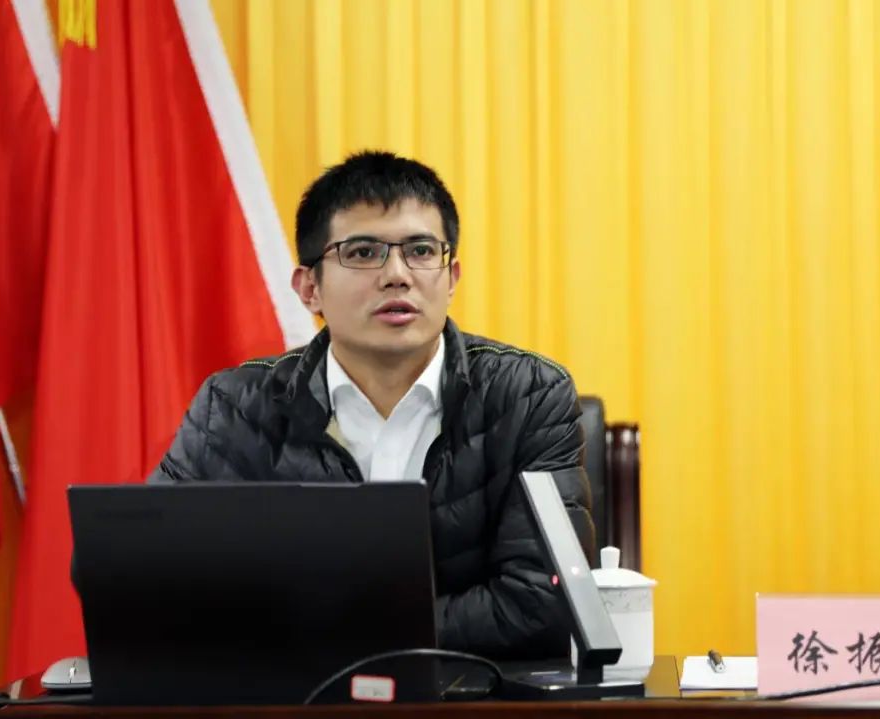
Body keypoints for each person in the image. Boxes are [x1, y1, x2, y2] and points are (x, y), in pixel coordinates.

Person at [150, 150, 593, 659]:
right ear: (309, 289)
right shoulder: (233, 408)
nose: (397, 275)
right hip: (293, 697)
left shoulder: (530, 396)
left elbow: (542, 602)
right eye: (363, 252)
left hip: (469, 693)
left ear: (451, 278)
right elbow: (154, 579)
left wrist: (332, 630)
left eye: (421, 250)